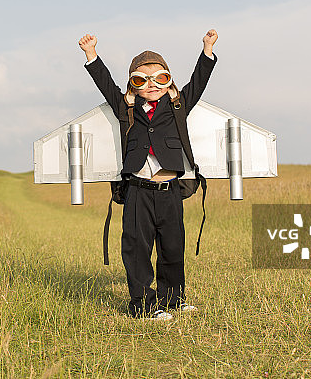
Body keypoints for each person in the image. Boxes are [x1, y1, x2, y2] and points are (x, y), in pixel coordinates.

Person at [78, 30, 218, 320]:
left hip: (169, 190)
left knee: (172, 246)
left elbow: (199, 82)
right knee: (136, 248)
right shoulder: (126, 108)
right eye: (141, 80)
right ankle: (143, 305)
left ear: (169, 83)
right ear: (133, 85)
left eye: (160, 79)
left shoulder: (177, 105)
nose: (152, 85)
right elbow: (105, 84)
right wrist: (91, 54)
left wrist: (207, 49)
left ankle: (173, 300)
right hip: (138, 190)